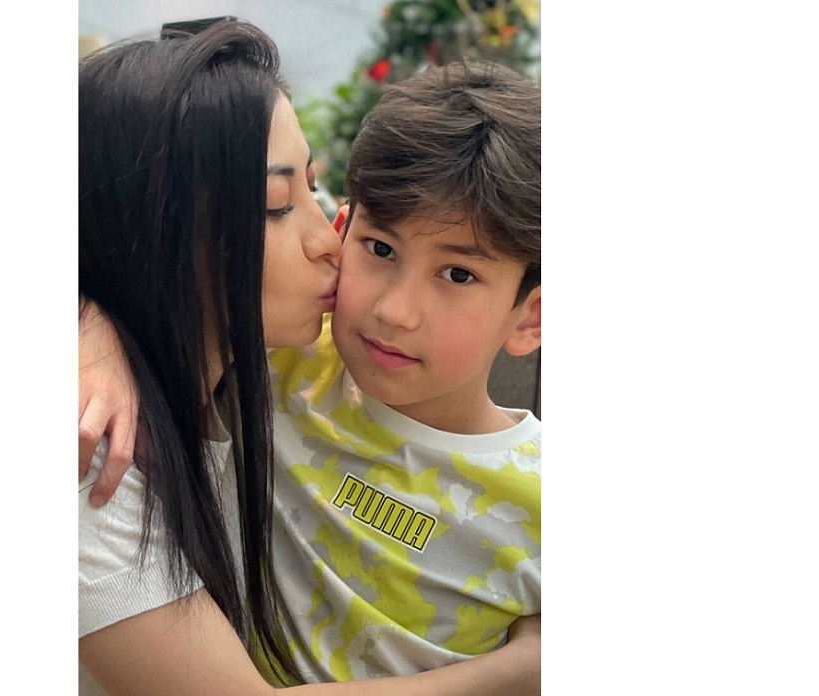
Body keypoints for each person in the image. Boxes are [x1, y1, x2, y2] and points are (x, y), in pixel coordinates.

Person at [78, 19, 540, 696]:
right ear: (154, 237)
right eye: (277, 204)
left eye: (313, 189)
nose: (329, 240)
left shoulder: (271, 366)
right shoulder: (99, 447)